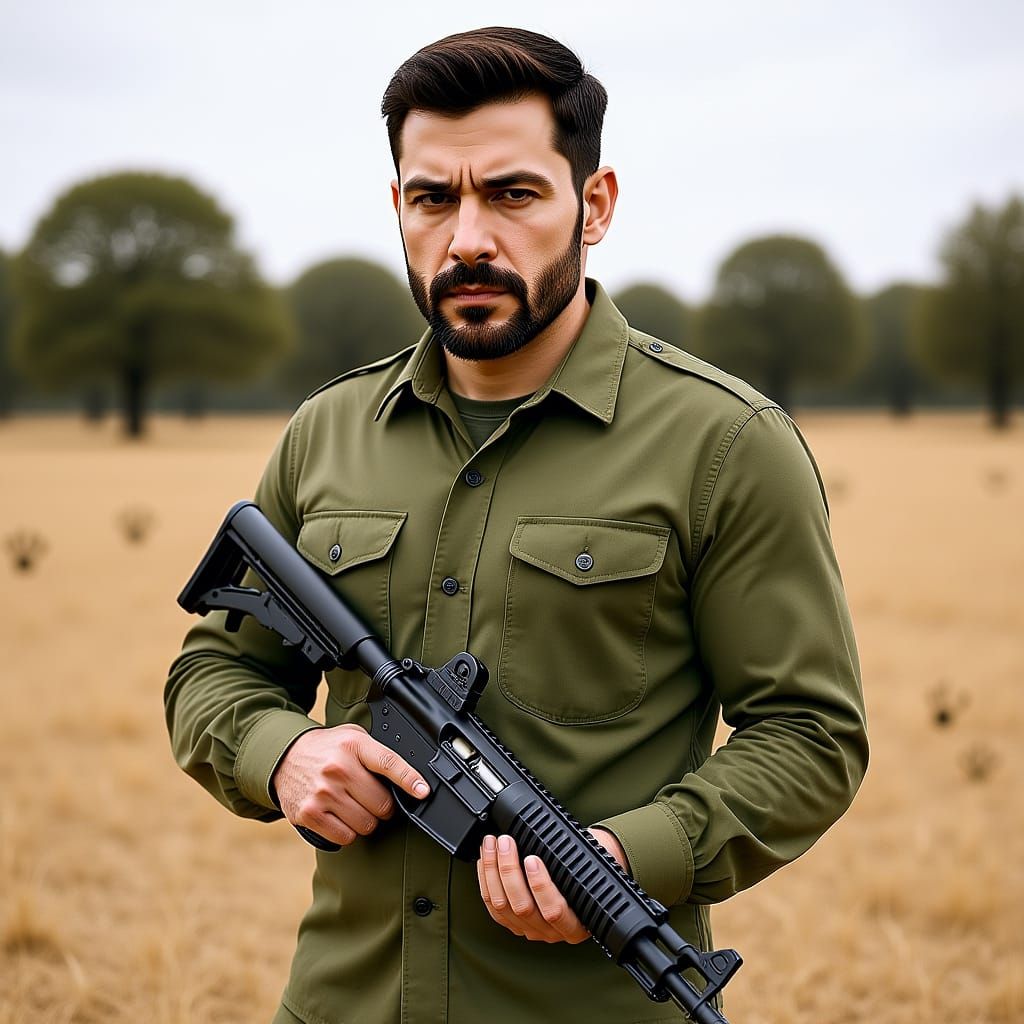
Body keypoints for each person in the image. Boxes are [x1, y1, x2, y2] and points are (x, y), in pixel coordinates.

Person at [165, 26, 868, 1024]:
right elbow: (215, 671)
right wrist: (282, 754)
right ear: (396, 208)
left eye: (512, 193)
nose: (467, 240)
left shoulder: (725, 443)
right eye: (431, 197)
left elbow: (810, 734)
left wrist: (625, 859)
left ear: (595, 205)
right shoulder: (325, 433)